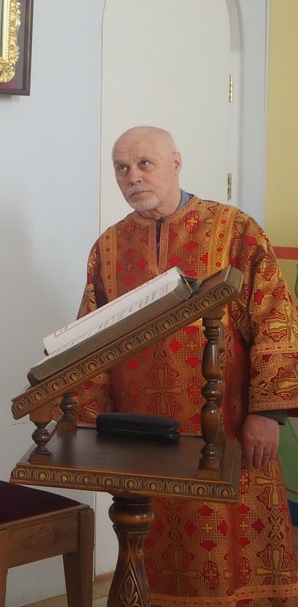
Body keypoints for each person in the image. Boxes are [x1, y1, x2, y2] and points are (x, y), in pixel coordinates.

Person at [74, 126, 298, 604]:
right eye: (121, 167)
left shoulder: (235, 230)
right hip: (143, 435)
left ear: (176, 162)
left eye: (144, 163)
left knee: (228, 554)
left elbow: (276, 321)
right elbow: (90, 341)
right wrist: (88, 426)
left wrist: (268, 412)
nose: (133, 176)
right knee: (151, 554)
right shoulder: (109, 248)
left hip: (227, 429)